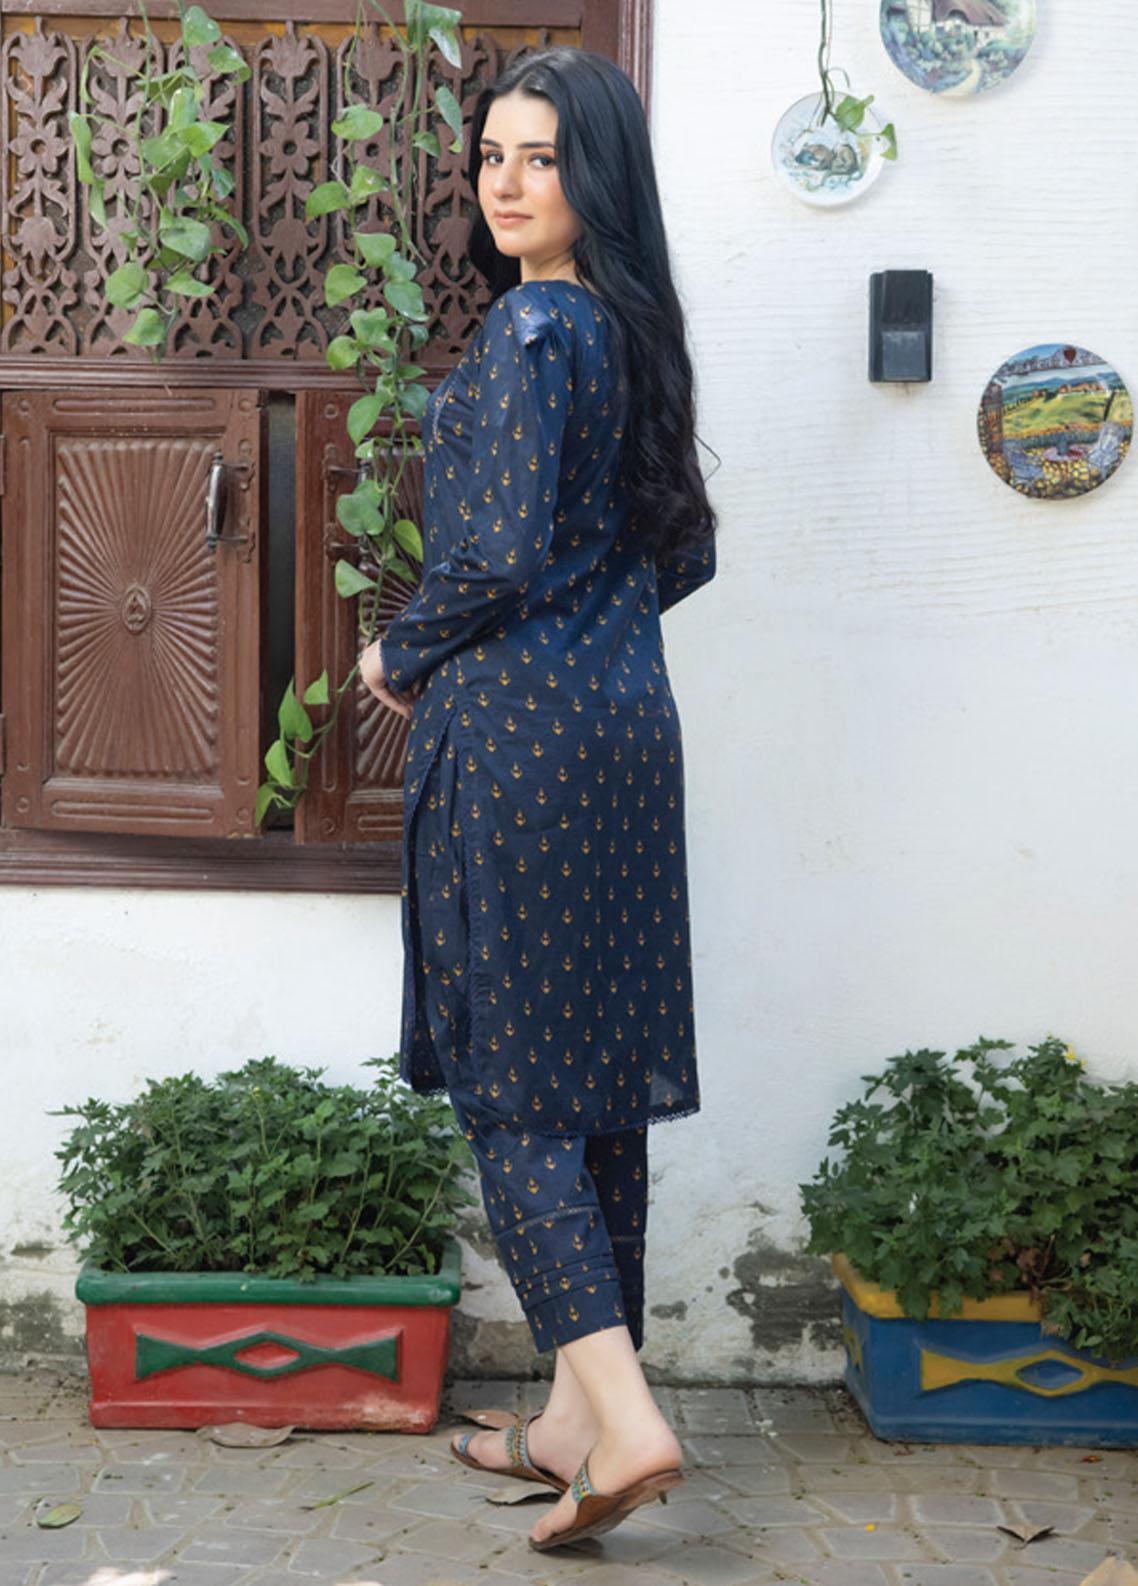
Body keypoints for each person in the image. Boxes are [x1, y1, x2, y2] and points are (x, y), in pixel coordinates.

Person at [358, 44, 718, 1552]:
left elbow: (493, 554)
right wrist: (587, 634)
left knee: (514, 1083)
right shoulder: (637, 333)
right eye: (493, 156)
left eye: (543, 158)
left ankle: (627, 1425)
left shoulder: (528, 331)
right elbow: (685, 552)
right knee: (595, 1088)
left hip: (516, 748)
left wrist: (399, 651)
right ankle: (572, 1419)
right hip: (625, 741)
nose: (506, 184)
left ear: (597, 174)